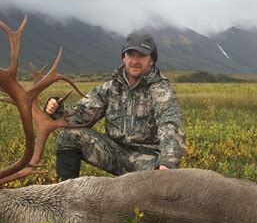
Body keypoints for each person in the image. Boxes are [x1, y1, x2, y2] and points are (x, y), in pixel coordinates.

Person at [46, 31, 186, 180]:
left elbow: (170, 124)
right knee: (68, 135)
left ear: (151, 60)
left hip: (147, 161)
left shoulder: (161, 90)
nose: (135, 60)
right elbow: (79, 117)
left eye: (141, 56)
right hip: (114, 153)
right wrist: (57, 109)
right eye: (131, 54)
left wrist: (167, 162)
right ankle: (66, 193)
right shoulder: (110, 88)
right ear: (123, 58)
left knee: (159, 182)